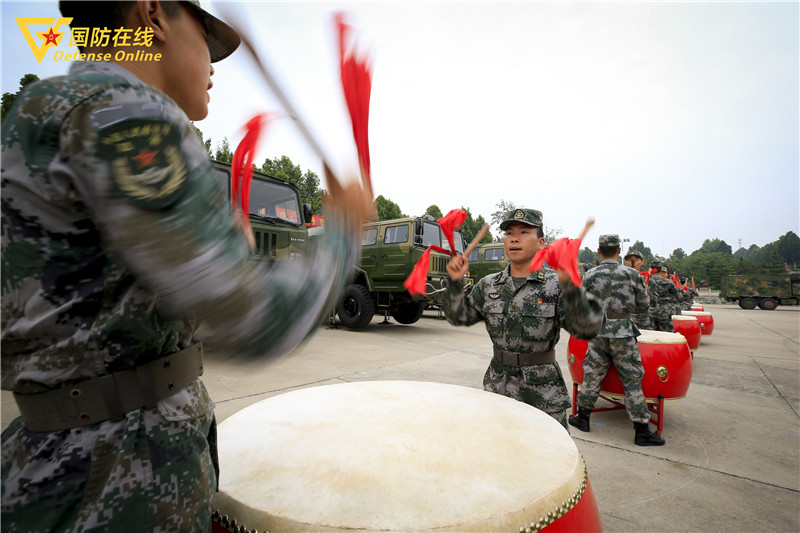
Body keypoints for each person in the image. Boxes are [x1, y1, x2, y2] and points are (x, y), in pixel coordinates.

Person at [1, 2, 373, 531]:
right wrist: (340, 234)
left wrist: (211, 245)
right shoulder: (124, 111)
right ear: (152, 14)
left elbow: (99, 310)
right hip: (113, 478)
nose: (214, 63)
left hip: (67, 461)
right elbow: (254, 317)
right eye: (207, 38)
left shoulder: (48, 111)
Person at [442, 208, 604, 430]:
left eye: (524, 232)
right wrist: (454, 282)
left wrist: (571, 287)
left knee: (549, 458)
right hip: (498, 388)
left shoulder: (556, 284)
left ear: (541, 242)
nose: (514, 238)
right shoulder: (489, 285)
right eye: (509, 233)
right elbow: (458, 316)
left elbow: (588, 329)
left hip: (543, 394)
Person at [568, 235, 664, 446]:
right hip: (623, 332)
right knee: (631, 380)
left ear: (599, 251)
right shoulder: (631, 274)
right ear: (619, 250)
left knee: (592, 375)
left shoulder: (590, 275)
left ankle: (582, 418)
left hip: (598, 332)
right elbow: (643, 305)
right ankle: (641, 430)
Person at [623, 250, 653, 330]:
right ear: (626, 262)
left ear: (642, 262)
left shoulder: (648, 280)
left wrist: (647, 291)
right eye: (629, 260)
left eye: (636, 260)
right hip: (625, 321)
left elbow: (655, 301)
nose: (633, 262)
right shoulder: (621, 279)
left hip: (642, 321)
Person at [647, 262, 678, 332]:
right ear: (661, 270)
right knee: (666, 333)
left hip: (650, 309)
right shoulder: (668, 282)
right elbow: (677, 295)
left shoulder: (646, 281)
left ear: (651, 269)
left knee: (650, 333)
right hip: (665, 310)